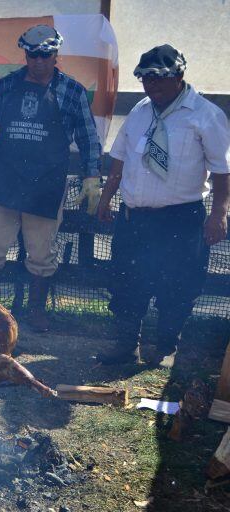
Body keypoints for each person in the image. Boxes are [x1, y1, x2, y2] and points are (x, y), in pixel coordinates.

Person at [96, 44, 230, 366]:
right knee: (127, 283)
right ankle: (127, 345)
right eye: (145, 80)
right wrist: (105, 197)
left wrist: (218, 215)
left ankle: (167, 347)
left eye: (158, 80)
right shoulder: (140, 111)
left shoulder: (206, 116)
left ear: (179, 76)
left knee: (177, 287)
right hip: (135, 219)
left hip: (179, 221)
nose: (151, 87)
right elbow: (119, 158)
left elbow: (224, 171)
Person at [0, 24, 102, 332]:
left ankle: (35, 312)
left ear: (55, 55)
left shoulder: (72, 91)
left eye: (45, 55)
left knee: (41, 251)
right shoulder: (6, 86)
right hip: (4, 177)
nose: (38, 62)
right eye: (32, 55)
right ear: (25, 55)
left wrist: (92, 175)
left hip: (46, 181)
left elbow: (88, 137)